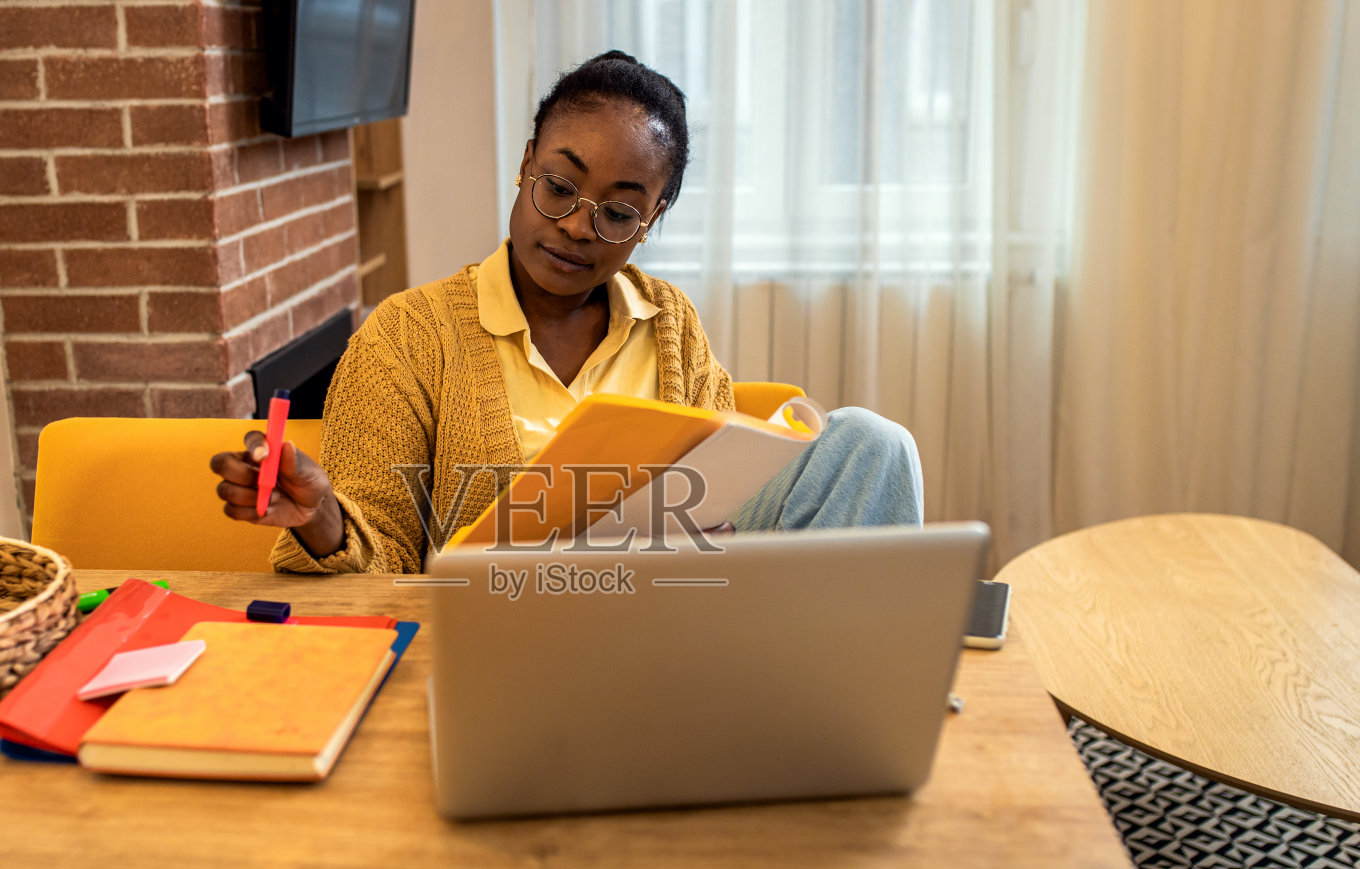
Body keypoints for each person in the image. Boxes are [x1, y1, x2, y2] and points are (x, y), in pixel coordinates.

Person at [210, 51, 921, 574]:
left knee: (871, 443)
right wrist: (325, 520)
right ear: (525, 165)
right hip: (508, 626)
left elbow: (720, 497)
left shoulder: (671, 324)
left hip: (672, 611)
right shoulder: (406, 336)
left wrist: (720, 530)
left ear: (652, 219)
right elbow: (383, 556)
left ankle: (840, 702)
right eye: (558, 186)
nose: (579, 228)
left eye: (617, 211)